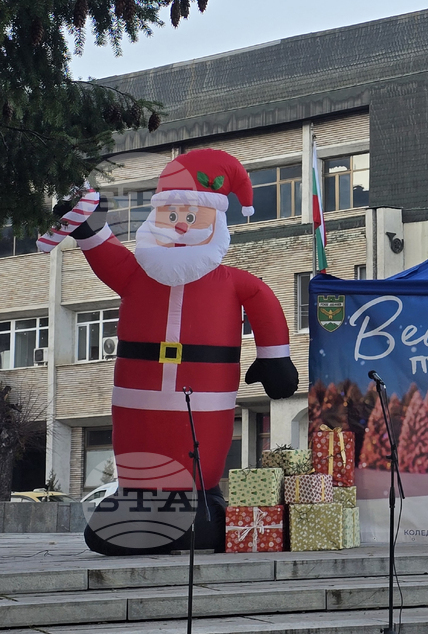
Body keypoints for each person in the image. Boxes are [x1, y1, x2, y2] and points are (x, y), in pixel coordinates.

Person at [38, 149, 299, 555]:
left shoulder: (233, 282)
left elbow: (264, 303)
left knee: (197, 453)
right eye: (170, 216)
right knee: (141, 447)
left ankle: (199, 504)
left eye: (191, 217)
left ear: (215, 222)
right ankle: (137, 501)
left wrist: (275, 359)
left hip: (204, 391)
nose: (179, 226)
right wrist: (90, 229)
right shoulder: (139, 275)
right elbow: (109, 259)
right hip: (137, 391)